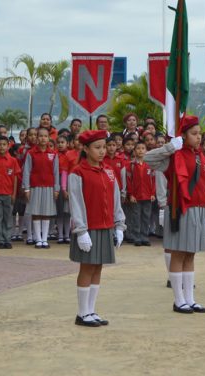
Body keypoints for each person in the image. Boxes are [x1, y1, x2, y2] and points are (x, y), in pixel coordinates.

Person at [144, 115, 205, 314]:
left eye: (199, 134)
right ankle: (178, 299)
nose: (198, 137)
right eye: (194, 134)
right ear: (183, 135)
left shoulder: (201, 156)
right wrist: (169, 148)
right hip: (180, 209)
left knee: (190, 255)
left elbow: (204, 186)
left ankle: (190, 299)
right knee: (178, 253)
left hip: (198, 209)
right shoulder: (175, 157)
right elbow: (147, 159)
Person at [68, 130, 125, 327]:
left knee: (98, 267)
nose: (102, 151)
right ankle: (82, 313)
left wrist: (119, 225)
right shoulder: (78, 173)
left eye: (104, 147)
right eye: (97, 148)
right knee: (87, 267)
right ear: (85, 148)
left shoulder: (108, 171)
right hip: (88, 228)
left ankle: (91, 310)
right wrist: (81, 231)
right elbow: (76, 202)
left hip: (106, 226)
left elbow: (116, 198)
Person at [23, 127, 60, 249]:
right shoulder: (31, 153)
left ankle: (45, 239)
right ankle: (38, 239)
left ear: (49, 138)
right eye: (40, 136)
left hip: (49, 186)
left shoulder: (53, 154)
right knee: (36, 212)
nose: (43, 138)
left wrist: (56, 188)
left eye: (45, 136)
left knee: (46, 212)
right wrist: (26, 188)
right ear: (37, 138)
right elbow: (27, 171)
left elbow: (56, 172)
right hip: (35, 186)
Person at [0, 136, 21, 249]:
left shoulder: (13, 160)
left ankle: (7, 239)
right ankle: (0, 240)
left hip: (8, 193)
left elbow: (15, 178)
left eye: (4, 144)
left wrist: (14, 194)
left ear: (8, 146)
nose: (1, 147)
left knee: (8, 217)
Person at [126, 142, 155, 247]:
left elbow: (153, 180)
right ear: (134, 151)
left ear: (146, 150)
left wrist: (152, 193)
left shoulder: (150, 165)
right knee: (136, 217)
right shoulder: (131, 165)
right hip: (136, 196)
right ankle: (136, 237)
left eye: (143, 148)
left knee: (146, 217)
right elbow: (129, 181)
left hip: (147, 196)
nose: (141, 150)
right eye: (138, 148)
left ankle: (144, 237)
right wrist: (131, 194)